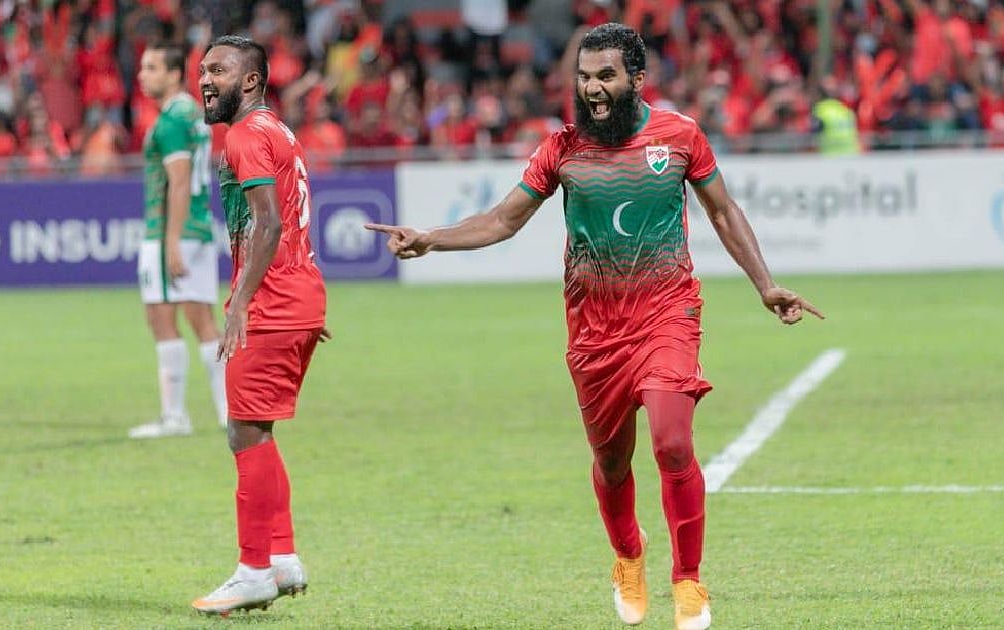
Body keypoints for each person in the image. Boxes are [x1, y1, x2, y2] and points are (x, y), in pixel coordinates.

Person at [367, 23, 822, 630]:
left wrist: (765, 284)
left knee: (672, 442)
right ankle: (627, 558)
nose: (592, 89)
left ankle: (688, 581)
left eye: (605, 76)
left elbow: (722, 209)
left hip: (667, 312)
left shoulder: (679, 135)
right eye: (583, 77)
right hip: (594, 333)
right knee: (612, 463)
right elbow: (503, 220)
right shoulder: (561, 148)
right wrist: (433, 239)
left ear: (637, 79)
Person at [191, 35, 330, 616]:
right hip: (297, 298)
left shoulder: (245, 136)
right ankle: (282, 557)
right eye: (202, 70)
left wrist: (242, 303)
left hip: (270, 303)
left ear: (250, 81)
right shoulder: (278, 130)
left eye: (218, 70)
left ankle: (254, 570)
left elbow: (269, 224)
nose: (204, 80)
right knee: (260, 432)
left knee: (243, 433)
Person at [129, 42, 228, 439]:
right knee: (203, 320)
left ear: (173, 74)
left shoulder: (171, 121)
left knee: (162, 318)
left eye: (151, 67)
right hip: (199, 227)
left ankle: (175, 417)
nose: (142, 74)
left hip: (171, 231)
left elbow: (180, 180)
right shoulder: (193, 114)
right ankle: (228, 413)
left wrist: (170, 241)